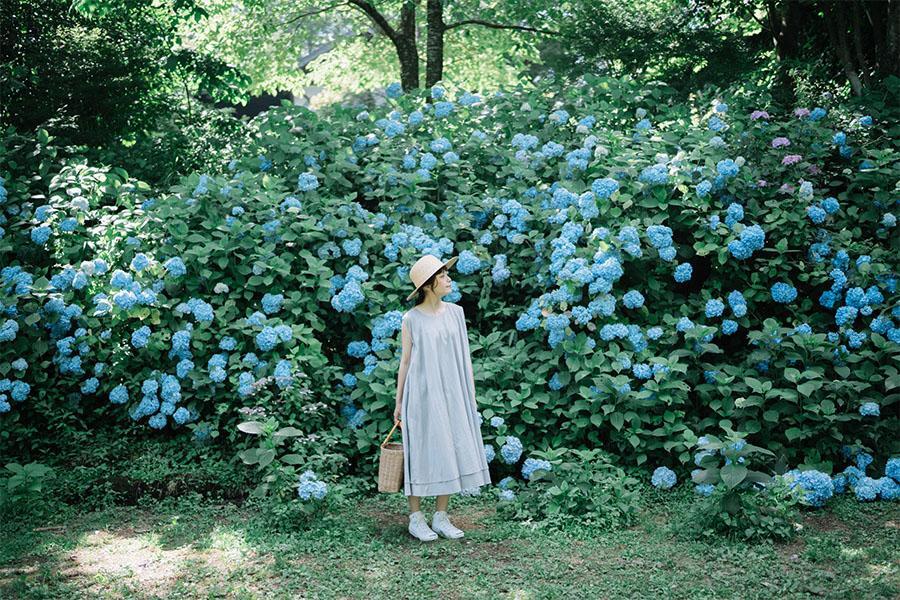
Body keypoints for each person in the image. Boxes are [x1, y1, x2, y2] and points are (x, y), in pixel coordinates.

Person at [394, 254, 492, 541]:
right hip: (421, 393)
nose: (449, 279)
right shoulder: (411, 319)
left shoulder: (456, 313)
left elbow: (464, 357)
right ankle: (416, 518)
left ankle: (441, 516)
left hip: (452, 392)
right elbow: (405, 362)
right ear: (428, 285)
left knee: (449, 447)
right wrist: (398, 402)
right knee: (419, 450)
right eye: (443, 276)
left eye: (447, 274)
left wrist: (470, 394)